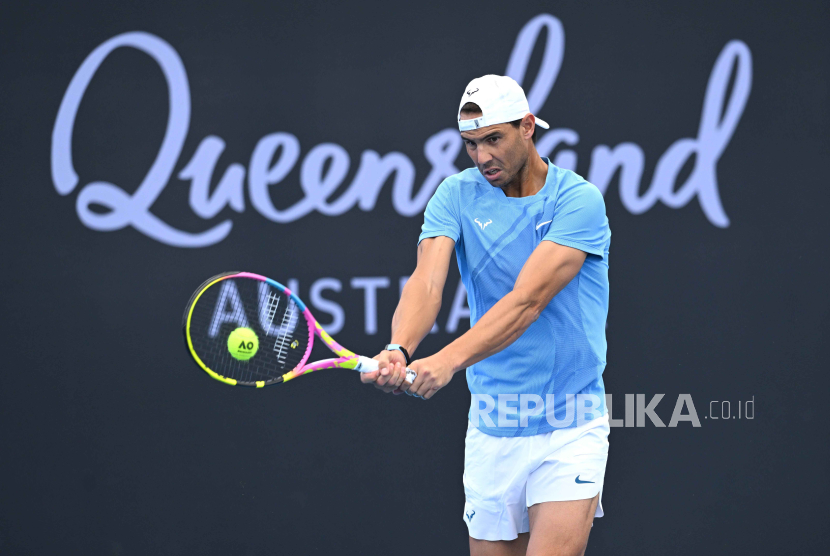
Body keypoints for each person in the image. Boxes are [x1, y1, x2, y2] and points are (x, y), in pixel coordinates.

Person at [361, 74, 611, 556]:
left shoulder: (577, 200)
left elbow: (527, 302)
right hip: (493, 426)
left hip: (570, 425)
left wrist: (447, 360)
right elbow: (427, 284)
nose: (482, 157)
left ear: (528, 127)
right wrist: (400, 347)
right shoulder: (455, 195)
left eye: (493, 139)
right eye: (471, 144)